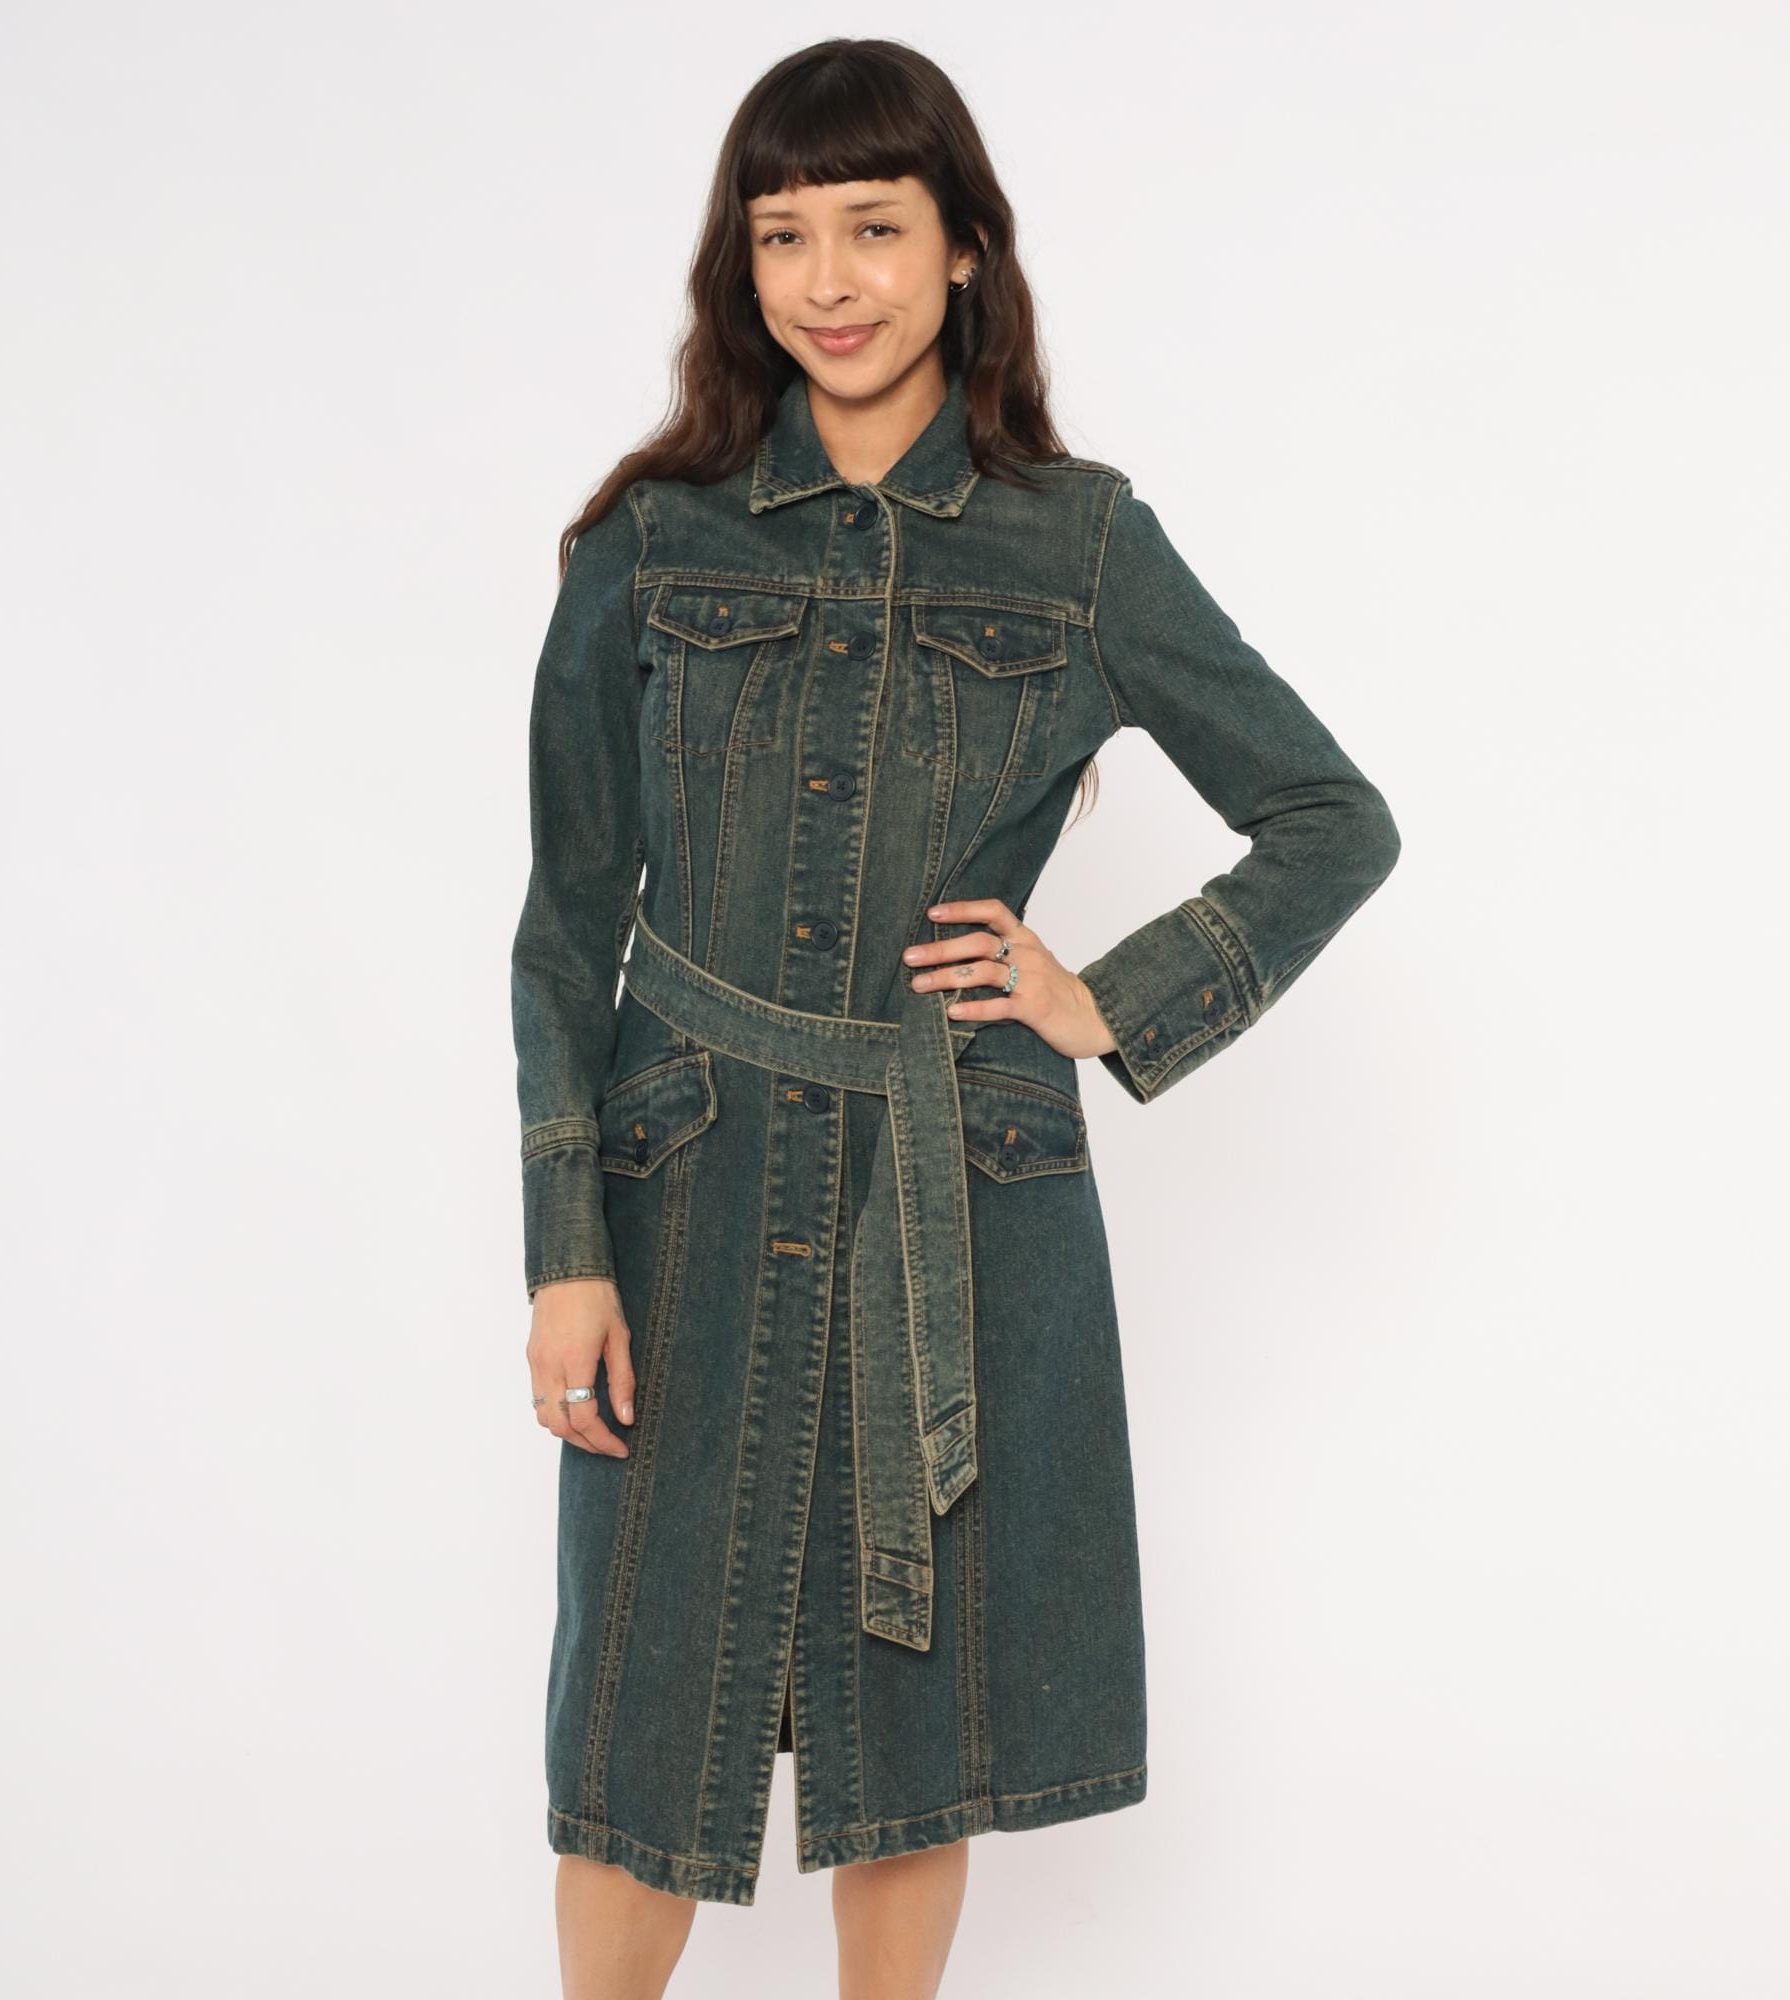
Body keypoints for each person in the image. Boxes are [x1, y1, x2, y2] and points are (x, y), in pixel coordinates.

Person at [511, 36, 1401, 1998]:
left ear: (965, 248)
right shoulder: (651, 540)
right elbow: (567, 926)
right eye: (783, 236)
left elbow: (1332, 817)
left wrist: (1107, 999)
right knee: (641, 1714)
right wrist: (566, 1249)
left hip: (953, 1193)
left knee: (902, 1725)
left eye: (874, 229)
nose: (828, 281)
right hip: (683, 1179)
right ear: (739, 263)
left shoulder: (1074, 542)